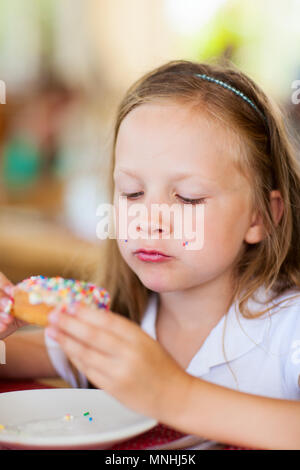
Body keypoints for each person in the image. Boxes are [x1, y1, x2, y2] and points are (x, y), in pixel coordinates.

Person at [1, 59, 300, 450]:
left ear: (261, 216)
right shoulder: (117, 319)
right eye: (132, 192)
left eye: (187, 197)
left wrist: (176, 395)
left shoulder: (287, 329)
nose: (147, 221)